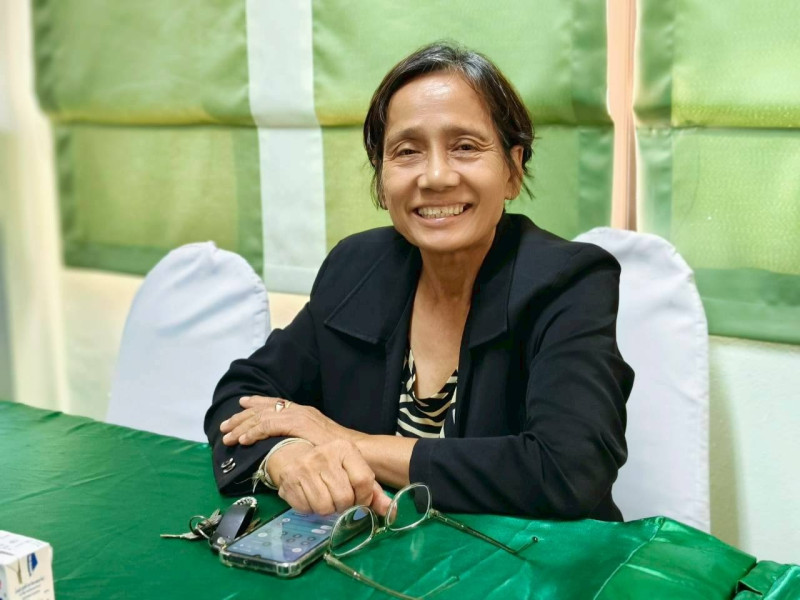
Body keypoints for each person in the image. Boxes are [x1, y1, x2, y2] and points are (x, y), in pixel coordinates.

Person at [204, 42, 634, 521]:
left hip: (526, 559)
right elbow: (243, 396)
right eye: (407, 151)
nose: (435, 176)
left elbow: (568, 469)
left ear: (513, 170)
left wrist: (343, 441)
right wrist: (287, 456)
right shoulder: (357, 266)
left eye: (465, 146)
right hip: (381, 552)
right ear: (381, 179)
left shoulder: (570, 281)